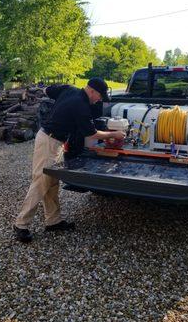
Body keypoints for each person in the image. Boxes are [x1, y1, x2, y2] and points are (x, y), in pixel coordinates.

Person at [13, 77, 126, 243]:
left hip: (56, 142)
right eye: (99, 96)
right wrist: (113, 134)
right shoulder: (81, 105)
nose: (99, 100)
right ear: (92, 91)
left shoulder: (69, 89)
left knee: (51, 182)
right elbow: (91, 133)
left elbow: (48, 90)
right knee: (40, 181)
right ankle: (21, 224)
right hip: (49, 142)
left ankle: (53, 221)